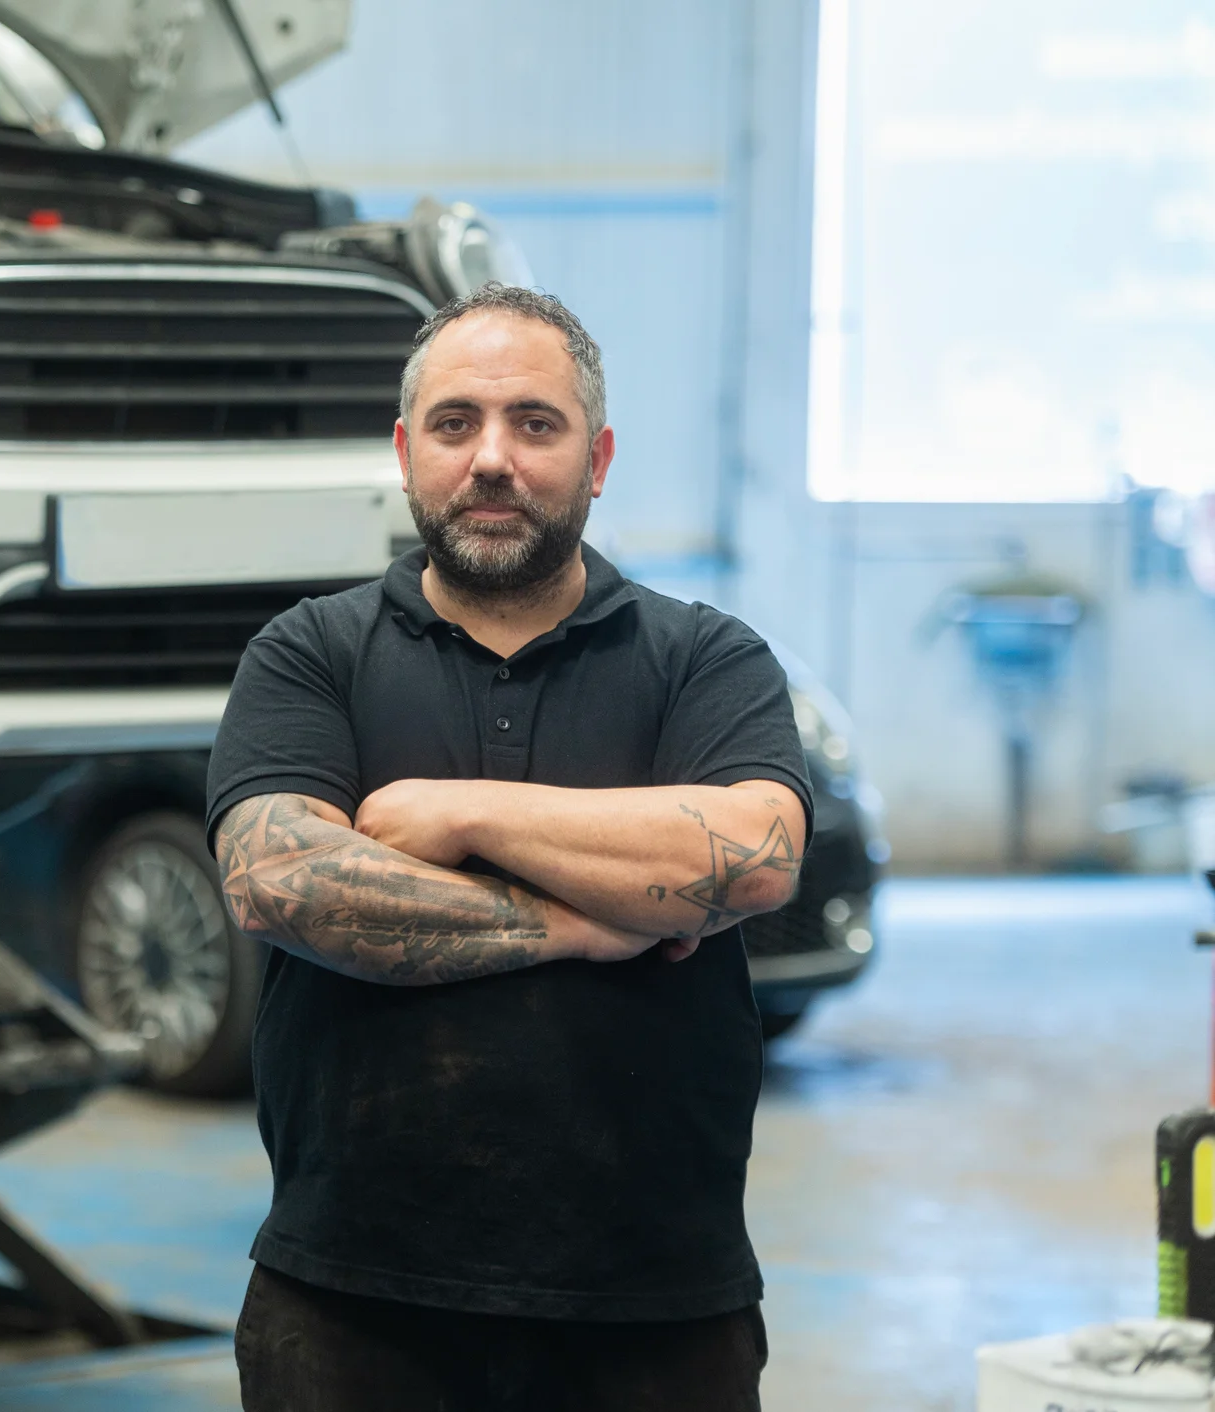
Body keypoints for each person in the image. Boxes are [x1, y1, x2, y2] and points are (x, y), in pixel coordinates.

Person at [206, 282, 809, 1411]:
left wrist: (464, 812)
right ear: (404, 449)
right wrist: (597, 919)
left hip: (656, 1309)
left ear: (598, 455)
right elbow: (283, 880)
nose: (492, 458)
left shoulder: (703, 658)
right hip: (349, 1303)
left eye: (535, 422)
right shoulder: (307, 654)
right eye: (454, 422)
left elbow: (757, 849)